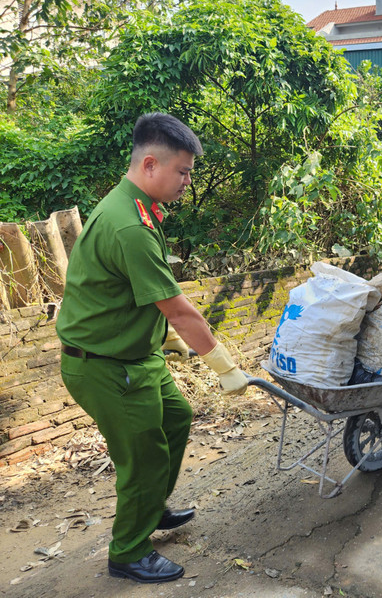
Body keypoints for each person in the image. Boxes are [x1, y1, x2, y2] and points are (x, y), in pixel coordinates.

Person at [56, 113, 248, 583]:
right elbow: (180, 310)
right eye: (182, 171)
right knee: (143, 458)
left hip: (136, 356)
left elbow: (134, 294)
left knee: (176, 417)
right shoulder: (130, 226)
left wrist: (166, 341)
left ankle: (149, 507)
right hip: (107, 366)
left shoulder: (136, 206)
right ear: (149, 164)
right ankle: (128, 552)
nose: (187, 181)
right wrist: (225, 368)